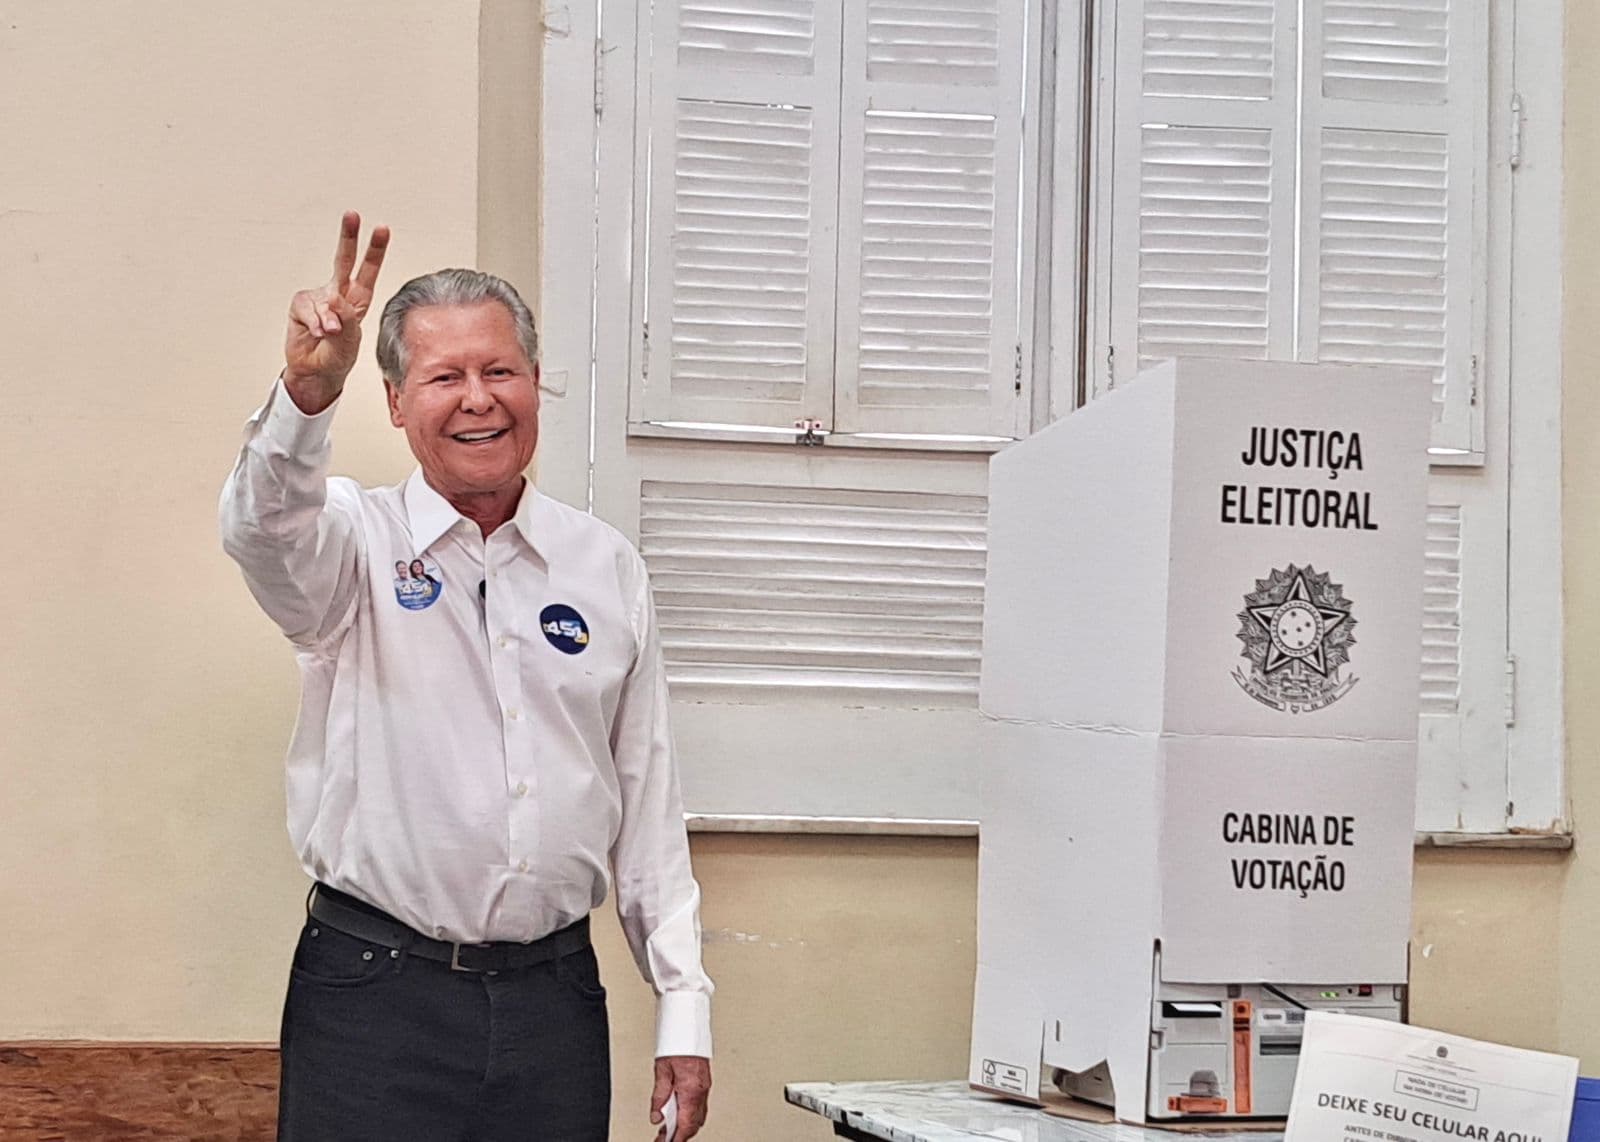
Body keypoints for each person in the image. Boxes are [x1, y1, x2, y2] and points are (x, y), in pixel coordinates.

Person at [220, 212, 713, 1141]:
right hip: (373, 998)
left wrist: (683, 1005)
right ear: (399, 403)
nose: (479, 399)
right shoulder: (348, 545)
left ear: (535, 385)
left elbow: (647, 806)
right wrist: (304, 396)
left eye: (500, 372)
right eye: (445, 377)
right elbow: (261, 525)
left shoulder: (604, 567)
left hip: (555, 1002)